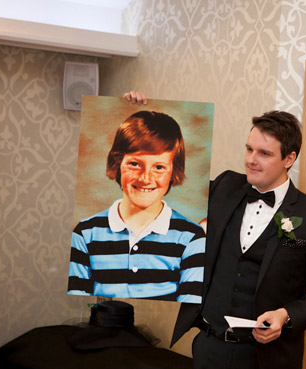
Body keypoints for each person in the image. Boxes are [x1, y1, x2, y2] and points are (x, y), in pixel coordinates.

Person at [125, 91, 306, 369]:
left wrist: (287, 314)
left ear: (289, 158)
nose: (251, 160)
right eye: (249, 149)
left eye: (265, 153)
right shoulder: (225, 186)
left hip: (264, 363)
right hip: (209, 348)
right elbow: (162, 177)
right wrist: (135, 112)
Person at [68, 108, 205, 303]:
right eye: (134, 164)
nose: (145, 178)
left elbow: (187, 308)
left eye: (159, 167)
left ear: (174, 171)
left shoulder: (192, 238)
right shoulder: (85, 233)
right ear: (117, 163)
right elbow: (78, 303)